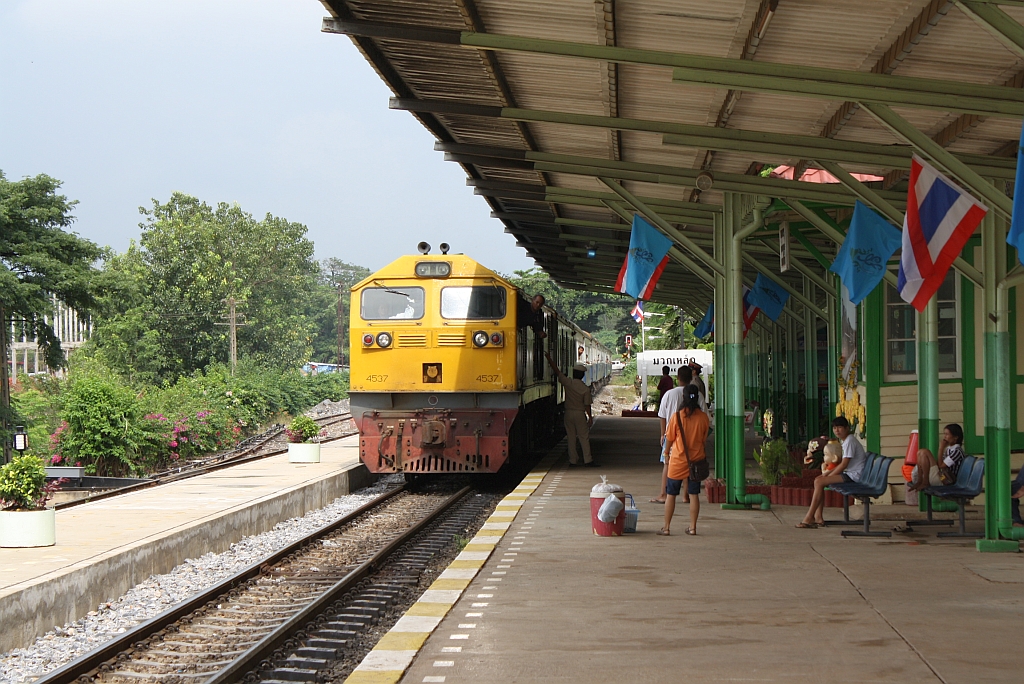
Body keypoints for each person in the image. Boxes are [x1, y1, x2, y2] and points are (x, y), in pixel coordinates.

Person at [797, 416, 867, 528]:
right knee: (818, 480)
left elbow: (844, 465)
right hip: (850, 474)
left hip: (854, 476)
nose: (837, 430)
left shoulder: (849, 442)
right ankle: (818, 517)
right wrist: (826, 474)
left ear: (847, 428)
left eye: (840, 427)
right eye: (835, 428)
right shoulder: (846, 441)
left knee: (820, 482)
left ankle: (809, 517)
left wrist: (829, 476)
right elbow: (842, 465)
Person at [658, 384, 710, 536]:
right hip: (696, 462)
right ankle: (693, 527)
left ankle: (666, 527)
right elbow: (704, 438)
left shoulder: (677, 417)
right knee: (694, 495)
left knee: (671, 495)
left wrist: (666, 454)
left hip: (678, 462)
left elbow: (669, 438)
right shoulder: (703, 418)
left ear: (683, 398)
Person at [544, 351, 595, 466]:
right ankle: (588, 460)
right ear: (582, 376)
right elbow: (587, 405)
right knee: (583, 437)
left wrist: (548, 358)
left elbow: (557, 371)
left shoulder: (568, 383)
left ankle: (573, 460)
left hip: (568, 413)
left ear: (574, 373)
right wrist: (590, 417)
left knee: (571, 437)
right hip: (579, 414)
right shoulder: (585, 389)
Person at [652, 366, 690, 503]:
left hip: (671, 434)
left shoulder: (669, 394)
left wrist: (663, 434)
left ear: (678, 378)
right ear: (691, 377)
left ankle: (663, 494)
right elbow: (704, 413)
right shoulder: (694, 394)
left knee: (667, 463)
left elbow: (662, 415)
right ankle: (686, 496)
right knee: (687, 463)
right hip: (689, 436)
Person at [907, 424, 967, 492]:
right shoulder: (949, 449)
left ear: (955, 437)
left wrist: (941, 448)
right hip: (941, 476)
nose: (945, 437)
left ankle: (925, 482)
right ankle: (920, 480)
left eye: (947, 434)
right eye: (944, 434)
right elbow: (939, 463)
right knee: (920, 452)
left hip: (946, 481)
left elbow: (941, 466)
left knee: (925, 452)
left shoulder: (957, 451)